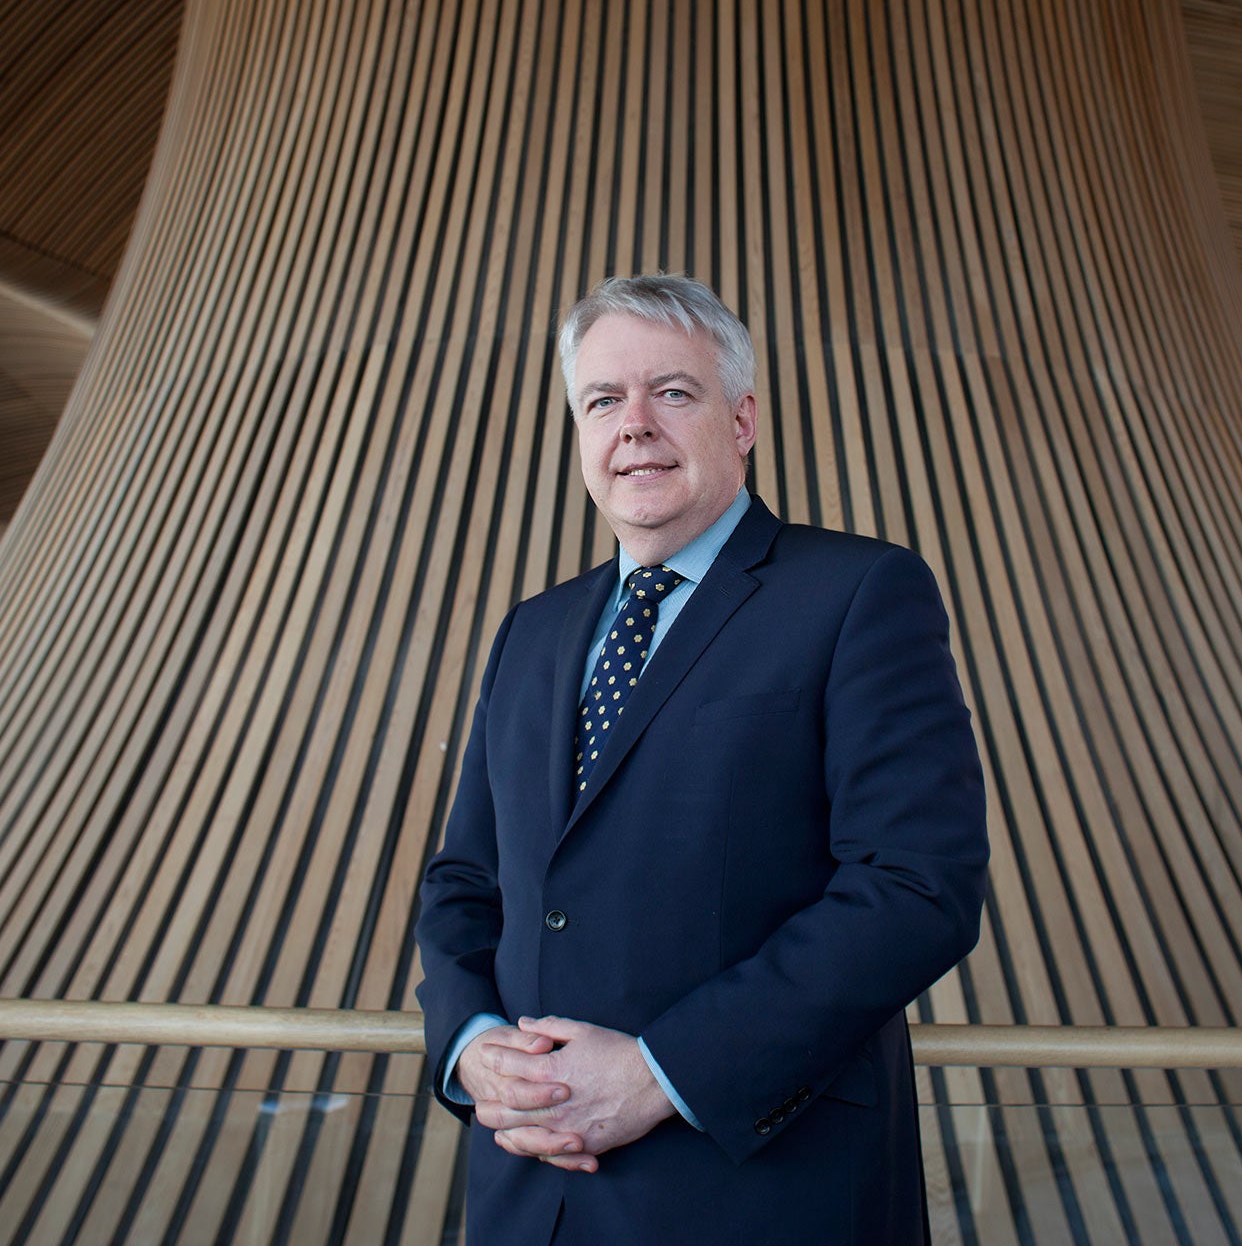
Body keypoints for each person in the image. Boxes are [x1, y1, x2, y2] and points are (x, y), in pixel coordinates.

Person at [415, 275, 989, 1245]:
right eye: (602, 401)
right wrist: (470, 1045)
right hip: (532, 1194)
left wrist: (661, 1071)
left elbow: (913, 885)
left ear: (742, 416)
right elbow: (466, 880)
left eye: (670, 392)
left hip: (758, 1191)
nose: (633, 425)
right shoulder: (532, 631)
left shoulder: (856, 592)